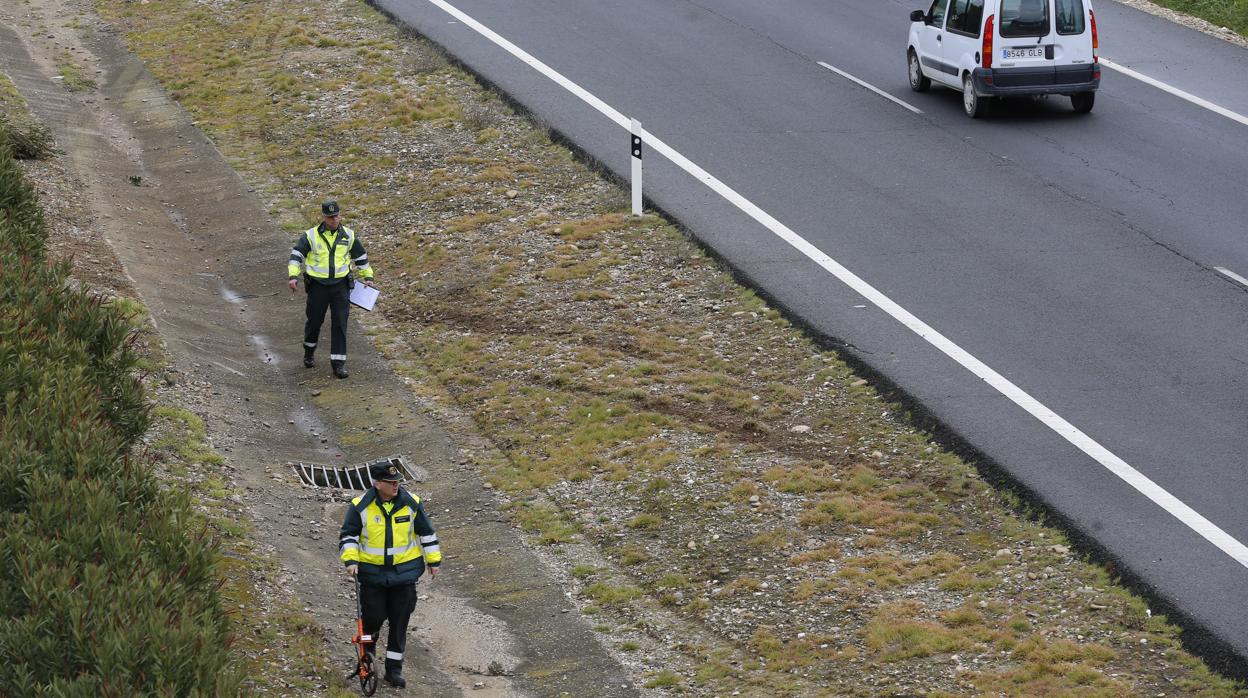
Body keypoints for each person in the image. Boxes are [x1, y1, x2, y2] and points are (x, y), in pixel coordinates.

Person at [339, 461, 441, 689]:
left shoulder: (411, 503)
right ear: (377, 484)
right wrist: (351, 560)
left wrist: (433, 560)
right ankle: (368, 660)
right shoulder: (360, 506)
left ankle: (394, 671)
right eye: (391, 482)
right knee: (372, 619)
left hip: (404, 576)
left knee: (399, 622)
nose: (396, 486)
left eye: (398, 482)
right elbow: (349, 536)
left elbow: (426, 533)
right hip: (372, 576)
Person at [287, 200, 374, 379]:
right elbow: (296, 255)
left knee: (340, 323)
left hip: (340, 287)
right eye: (330, 216)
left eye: (336, 216)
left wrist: (368, 277)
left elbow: (361, 257)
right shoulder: (310, 236)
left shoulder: (348, 235)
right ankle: (309, 352)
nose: (334, 219)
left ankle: (338, 364)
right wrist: (293, 276)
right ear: (323, 217)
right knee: (314, 322)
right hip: (318, 286)